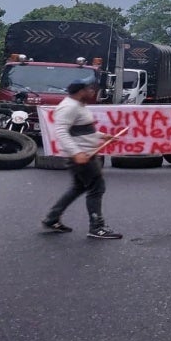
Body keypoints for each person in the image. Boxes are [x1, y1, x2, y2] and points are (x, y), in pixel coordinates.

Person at [42, 79, 123, 239]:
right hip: (82, 155)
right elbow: (61, 132)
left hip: (86, 153)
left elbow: (82, 130)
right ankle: (97, 227)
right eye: (90, 89)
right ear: (80, 91)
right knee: (96, 187)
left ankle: (51, 219)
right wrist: (76, 153)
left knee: (78, 187)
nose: (93, 92)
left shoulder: (78, 106)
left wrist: (102, 136)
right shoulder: (69, 107)